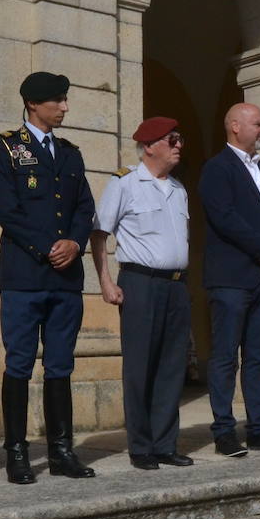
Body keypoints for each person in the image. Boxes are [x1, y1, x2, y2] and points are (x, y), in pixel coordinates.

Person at [0, 71, 96, 480]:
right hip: (24, 275)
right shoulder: (5, 147)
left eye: (65, 99)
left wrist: (75, 243)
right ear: (33, 103)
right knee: (19, 363)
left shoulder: (70, 153)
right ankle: (16, 452)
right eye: (58, 100)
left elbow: (84, 207)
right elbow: (7, 209)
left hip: (65, 278)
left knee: (60, 364)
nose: (65, 107)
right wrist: (49, 247)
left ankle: (61, 451)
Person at [90, 117, 195, 470]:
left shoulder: (178, 189)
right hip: (140, 282)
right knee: (140, 366)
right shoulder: (125, 183)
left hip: (176, 285)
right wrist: (106, 281)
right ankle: (141, 446)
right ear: (149, 146)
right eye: (172, 139)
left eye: (180, 139)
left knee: (172, 366)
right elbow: (99, 233)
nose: (179, 145)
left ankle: (165, 444)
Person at [199, 103, 260, 457]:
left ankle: (259, 428)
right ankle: (224, 431)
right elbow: (224, 218)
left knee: (257, 356)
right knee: (225, 356)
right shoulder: (217, 168)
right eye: (258, 123)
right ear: (235, 126)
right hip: (231, 278)